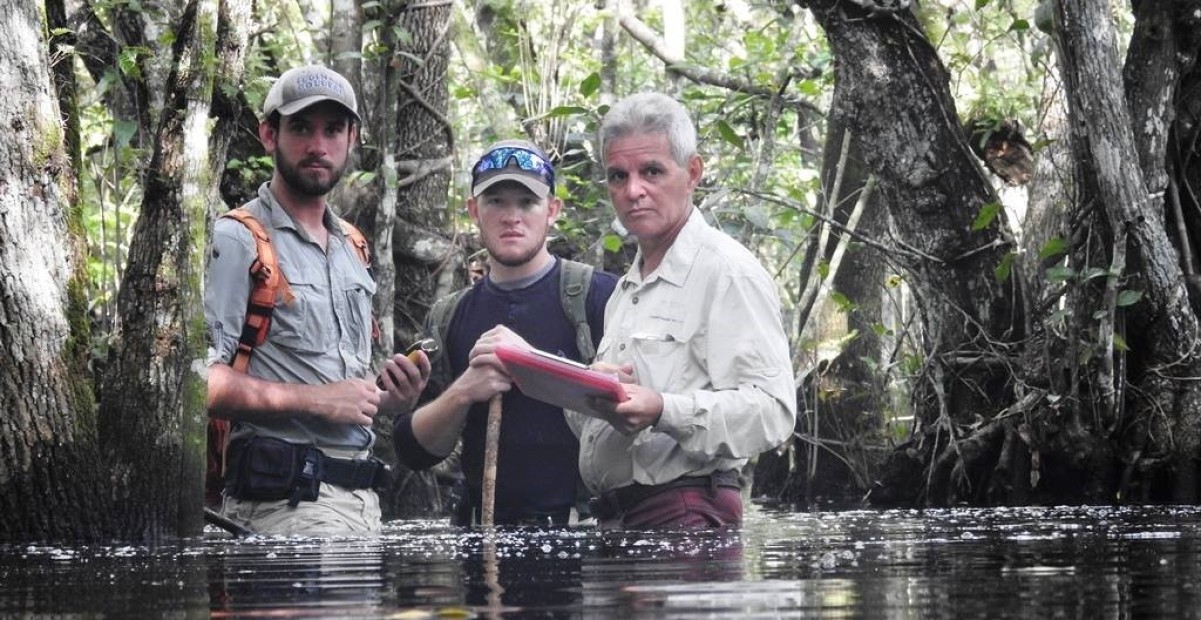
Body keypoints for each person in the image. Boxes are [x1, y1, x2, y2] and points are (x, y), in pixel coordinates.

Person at [204, 65, 431, 536]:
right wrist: (317, 401)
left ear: (352, 139)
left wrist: (389, 399)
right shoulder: (239, 241)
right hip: (281, 506)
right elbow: (199, 383)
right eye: (301, 127)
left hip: (362, 505)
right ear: (269, 134)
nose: (318, 145)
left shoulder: (354, 246)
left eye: (333, 129)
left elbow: (343, 393)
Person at [570, 92, 797, 529]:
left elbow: (773, 412)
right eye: (619, 176)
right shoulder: (627, 287)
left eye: (651, 171)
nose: (633, 190)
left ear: (692, 173)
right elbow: (612, 428)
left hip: (687, 512)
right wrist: (591, 390)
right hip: (621, 520)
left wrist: (663, 409)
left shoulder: (727, 272)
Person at [392, 139, 618, 526]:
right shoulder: (449, 315)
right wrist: (465, 390)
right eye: (496, 201)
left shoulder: (601, 297)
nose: (511, 216)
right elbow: (414, 451)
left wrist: (527, 364)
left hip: (586, 544)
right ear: (473, 211)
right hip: (484, 545)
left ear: (552, 211)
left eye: (527, 202)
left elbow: (641, 409)